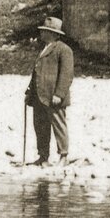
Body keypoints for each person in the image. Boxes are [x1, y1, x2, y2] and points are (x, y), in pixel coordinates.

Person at [26, 16, 75, 164]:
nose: (41, 33)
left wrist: (59, 94)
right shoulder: (44, 49)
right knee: (40, 126)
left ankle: (64, 155)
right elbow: (36, 72)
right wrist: (29, 91)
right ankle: (43, 156)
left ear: (54, 33)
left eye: (45, 31)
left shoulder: (64, 50)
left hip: (53, 96)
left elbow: (67, 75)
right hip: (39, 96)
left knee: (59, 125)